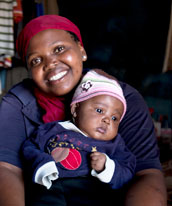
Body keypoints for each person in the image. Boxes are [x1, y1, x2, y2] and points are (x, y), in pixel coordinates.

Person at [0, 15, 166, 206]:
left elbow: (146, 172)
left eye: (59, 49)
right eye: (36, 60)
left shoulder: (121, 100)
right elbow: (6, 168)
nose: (50, 63)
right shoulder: (18, 103)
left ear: (81, 50)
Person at [21, 69, 136, 205]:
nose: (107, 120)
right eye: (99, 110)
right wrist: (43, 164)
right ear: (75, 109)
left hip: (92, 190)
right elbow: (29, 148)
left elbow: (128, 169)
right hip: (52, 186)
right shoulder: (54, 130)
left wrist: (106, 167)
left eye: (114, 118)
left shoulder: (115, 143)